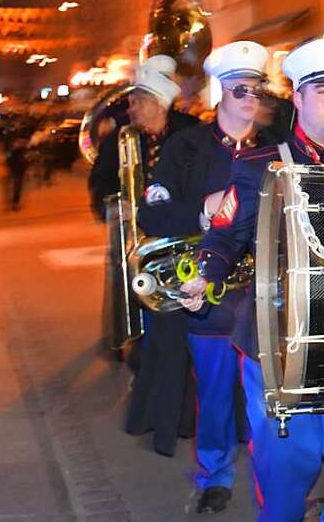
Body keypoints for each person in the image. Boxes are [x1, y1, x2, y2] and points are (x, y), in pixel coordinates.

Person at [180, 32, 324, 521]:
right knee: (284, 472)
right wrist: (204, 276)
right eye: (322, 92)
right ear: (297, 98)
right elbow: (226, 235)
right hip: (277, 340)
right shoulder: (259, 165)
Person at [132, 41, 273, 514]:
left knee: (272, 394)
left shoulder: (280, 147)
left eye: (257, 90)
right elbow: (151, 212)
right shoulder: (187, 146)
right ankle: (216, 473)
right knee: (214, 391)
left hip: (268, 289)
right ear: (220, 95)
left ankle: (274, 472)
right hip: (208, 292)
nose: (250, 98)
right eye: (239, 90)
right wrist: (201, 210)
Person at [87, 55, 197, 220]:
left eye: (137, 102)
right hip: (134, 234)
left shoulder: (193, 134)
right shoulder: (117, 140)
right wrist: (111, 206)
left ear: (158, 104)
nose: (130, 110)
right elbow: (100, 184)